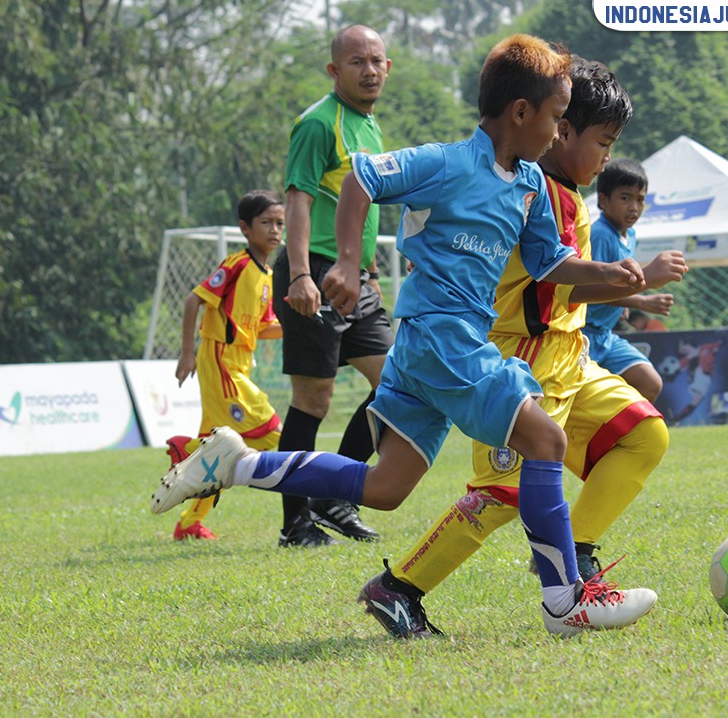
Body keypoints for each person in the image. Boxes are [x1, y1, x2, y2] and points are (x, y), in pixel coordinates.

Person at [151, 35, 657, 638]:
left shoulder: (527, 185)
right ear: (521, 113)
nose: (558, 131)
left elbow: (551, 264)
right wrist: (341, 262)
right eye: (554, 117)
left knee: (385, 488)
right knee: (546, 441)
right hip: (445, 338)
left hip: (427, 348)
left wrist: (616, 275)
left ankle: (235, 463)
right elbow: (360, 181)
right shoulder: (448, 162)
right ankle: (565, 601)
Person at [355, 58, 689, 637]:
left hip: (569, 355)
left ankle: (576, 564)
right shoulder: (536, 191)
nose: (606, 156)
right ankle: (398, 587)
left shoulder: (561, 193)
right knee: (502, 494)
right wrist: (633, 278)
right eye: (602, 142)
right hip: (521, 357)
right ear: (559, 130)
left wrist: (623, 283)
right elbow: (547, 281)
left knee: (640, 432)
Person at [272, 24, 394, 547]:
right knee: (314, 399)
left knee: (396, 386)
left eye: (376, 61)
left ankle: (334, 493)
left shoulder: (371, 128)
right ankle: (295, 522)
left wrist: (369, 273)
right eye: (356, 62)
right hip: (314, 270)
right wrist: (301, 274)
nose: (369, 70)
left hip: (356, 278)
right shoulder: (319, 123)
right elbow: (296, 201)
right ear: (334, 70)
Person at [164, 190, 286, 541]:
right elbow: (192, 300)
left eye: (280, 223)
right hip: (220, 360)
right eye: (266, 223)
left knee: (218, 451)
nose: (275, 230)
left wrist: (300, 327)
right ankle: (184, 450)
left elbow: (262, 328)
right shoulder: (237, 264)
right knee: (272, 430)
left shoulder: (267, 276)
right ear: (245, 228)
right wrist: (187, 352)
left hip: (239, 365)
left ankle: (189, 524)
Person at [582, 158, 676, 403]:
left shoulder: (629, 234)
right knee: (582, 401)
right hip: (582, 336)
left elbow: (619, 284)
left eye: (640, 199)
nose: (634, 207)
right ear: (603, 200)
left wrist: (622, 306)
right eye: (625, 198)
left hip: (605, 336)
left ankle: (615, 439)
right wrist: (642, 302)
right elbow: (596, 289)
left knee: (650, 383)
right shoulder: (601, 234)